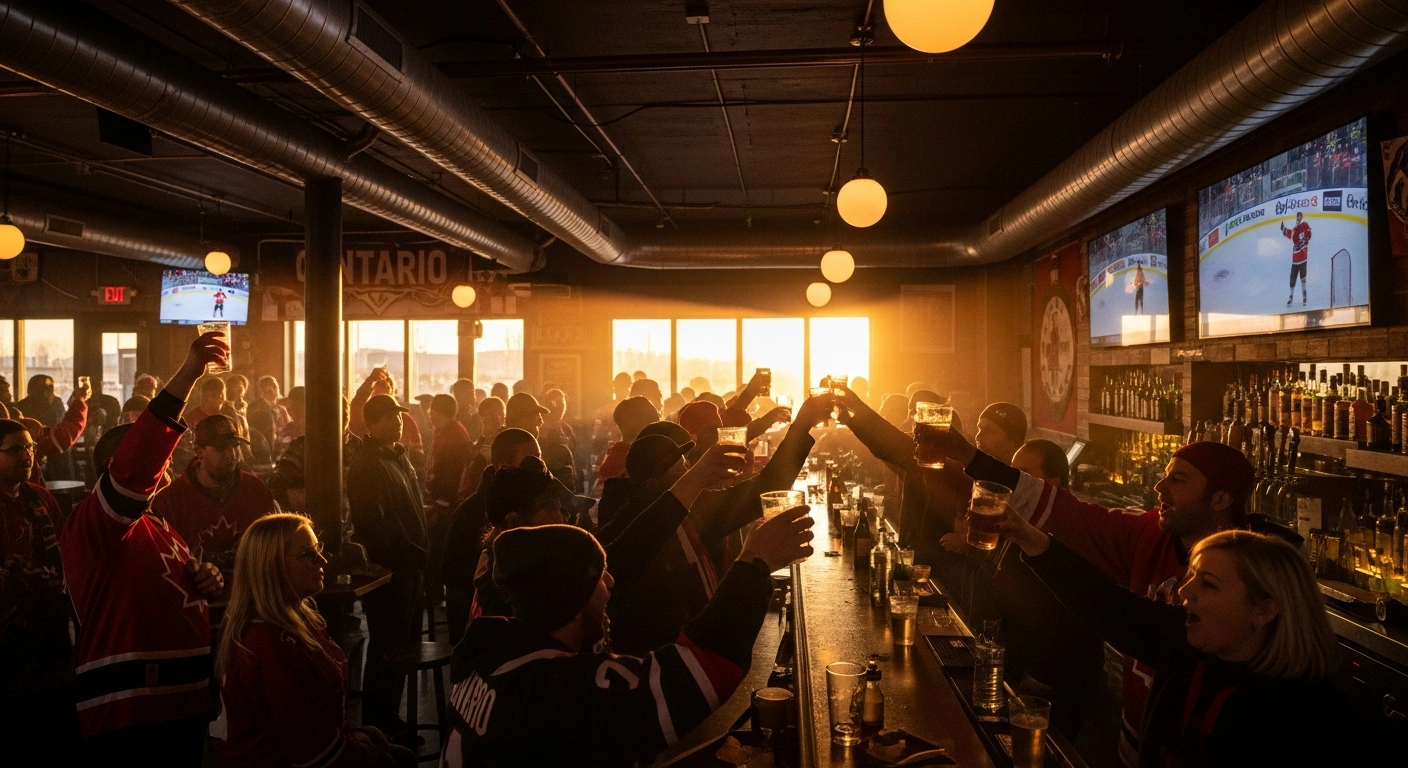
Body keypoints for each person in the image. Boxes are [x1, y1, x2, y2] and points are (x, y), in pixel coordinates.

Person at [935, 430, 1265, 766]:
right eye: (1164, 475)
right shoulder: (1149, 535)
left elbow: (1118, 613)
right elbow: (1071, 515)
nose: (1159, 487)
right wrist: (968, 456)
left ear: (1221, 499)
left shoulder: (1249, 574)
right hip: (1135, 738)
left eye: (1177, 480)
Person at [441, 507, 814, 766]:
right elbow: (692, 677)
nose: (611, 582)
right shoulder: (549, 692)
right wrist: (754, 562)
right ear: (570, 598)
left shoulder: (489, 655)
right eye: (598, 576)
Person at [1001, 515, 1360, 766]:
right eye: (1191, 577)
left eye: (1209, 583)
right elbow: (1106, 603)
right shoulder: (1185, 642)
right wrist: (1030, 538)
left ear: (1264, 610)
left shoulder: (1313, 715)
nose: (1185, 591)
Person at [61, 332, 227, 767]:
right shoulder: (94, 525)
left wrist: (207, 578)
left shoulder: (157, 524)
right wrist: (189, 373)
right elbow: (139, 462)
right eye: (152, 461)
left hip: (180, 700)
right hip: (131, 711)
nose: (164, 464)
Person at [603, 394, 831, 654]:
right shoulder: (682, 517)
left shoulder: (631, 509)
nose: (690, 465)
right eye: (684, 460)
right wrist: (801, 426)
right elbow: (770, 484)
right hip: (675, 657)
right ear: (662, 473)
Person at [217, 513, 415, 768]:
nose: (322, 560)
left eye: (318, 550)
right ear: (270, 566)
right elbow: (312, 750)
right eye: (306, 554)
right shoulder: (269, 643)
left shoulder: (295, 617)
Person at [0, 419, 84, 766]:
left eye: (30, 447)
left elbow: (66, 554)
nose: (26, 456)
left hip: (49, 640)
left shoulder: (42, 499)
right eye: (15, 450)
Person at [347, 393, 428, 741]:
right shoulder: (368, 462)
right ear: (372, 424)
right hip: (392, 570)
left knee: (400, 644)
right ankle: (378, 724)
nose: (397, 422)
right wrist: (401, 554)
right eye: (389, 418)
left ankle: (388, 719)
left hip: (408, 566)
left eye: (397, 417)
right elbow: (370, 523)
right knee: (387, 648)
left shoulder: (393, 456)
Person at [151, 414, 276, 585]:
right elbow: (160, 567)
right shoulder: (172, 500)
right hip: (195, 603)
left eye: (234, 446)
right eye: (221, 448)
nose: (231, 455)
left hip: (251, 599)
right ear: (199, 452)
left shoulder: (255, 490)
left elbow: (274, 549)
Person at [443, 429, 540, 642]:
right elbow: (453, 574)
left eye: (539, 459)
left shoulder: (527, 505)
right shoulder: (474, 511)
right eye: (529, 461)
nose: (538, 468)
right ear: (501, 466)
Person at [349, 370, 424, 477]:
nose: (397, 421)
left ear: (392, 394)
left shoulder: (406, 420)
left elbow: (418, 459)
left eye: (385, 395)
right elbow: (356, 409)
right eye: (375, 396)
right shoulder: (370, 460)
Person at [593, 396, 658, 489]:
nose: (658, 424)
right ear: (638, 423)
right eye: (654, 419)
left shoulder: (614, 457)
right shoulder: (646, 455)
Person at [458, 396, 507, 498]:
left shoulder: (506, 439)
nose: (484, 422)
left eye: (491, 416)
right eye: (483, 419)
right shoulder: (482, 440)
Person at [1281, 210, 1312, 306]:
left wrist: (1305, 237)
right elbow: (1290, 234)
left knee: (1303, 278)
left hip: (1302, 259)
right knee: (1292, 279)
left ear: (1301, 218)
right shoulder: (1295, 229)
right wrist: (1283, 229)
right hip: (1295, 261)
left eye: (1299, 217)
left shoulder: (1304, 226)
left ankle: (1304, 296)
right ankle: (1291, 296)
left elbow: (1308, 235)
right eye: (1297, 217)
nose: (1298, 219)